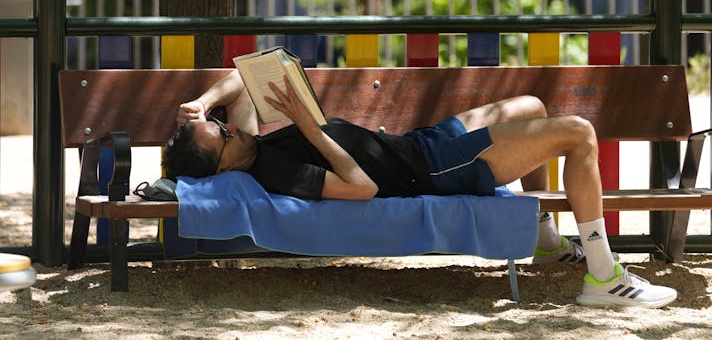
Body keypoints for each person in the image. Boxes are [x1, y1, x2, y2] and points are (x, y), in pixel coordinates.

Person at [164, 69, 677, 309]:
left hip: (421, 145)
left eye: (225, 123)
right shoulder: (275, 173)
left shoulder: (245, 143)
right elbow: (362, 189)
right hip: (434, 171)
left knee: (533, 107)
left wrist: (201, 104)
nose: (234, 128)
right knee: (578, 134)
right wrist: (310, 126)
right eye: (223, 135)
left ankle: (542, 235)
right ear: (221, 168)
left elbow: (241, 79)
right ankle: (604, 276)